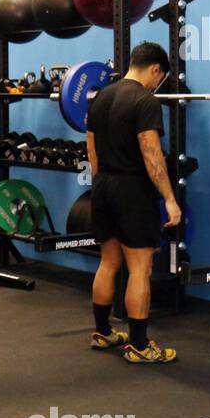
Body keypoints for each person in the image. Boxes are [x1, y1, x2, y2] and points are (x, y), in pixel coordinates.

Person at [85, 41, 181, 364]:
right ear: (155, 69)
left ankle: (102, 332)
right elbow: (151, 155)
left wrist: (101, 185)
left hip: (103, 185)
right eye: (159, 77)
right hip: (132, 189)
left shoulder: (99, 98)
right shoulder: (145, 101)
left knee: (108, 262)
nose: (158, 84)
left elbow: (92, 153)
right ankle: (140, 346)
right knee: (140, 268)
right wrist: (169, 199)